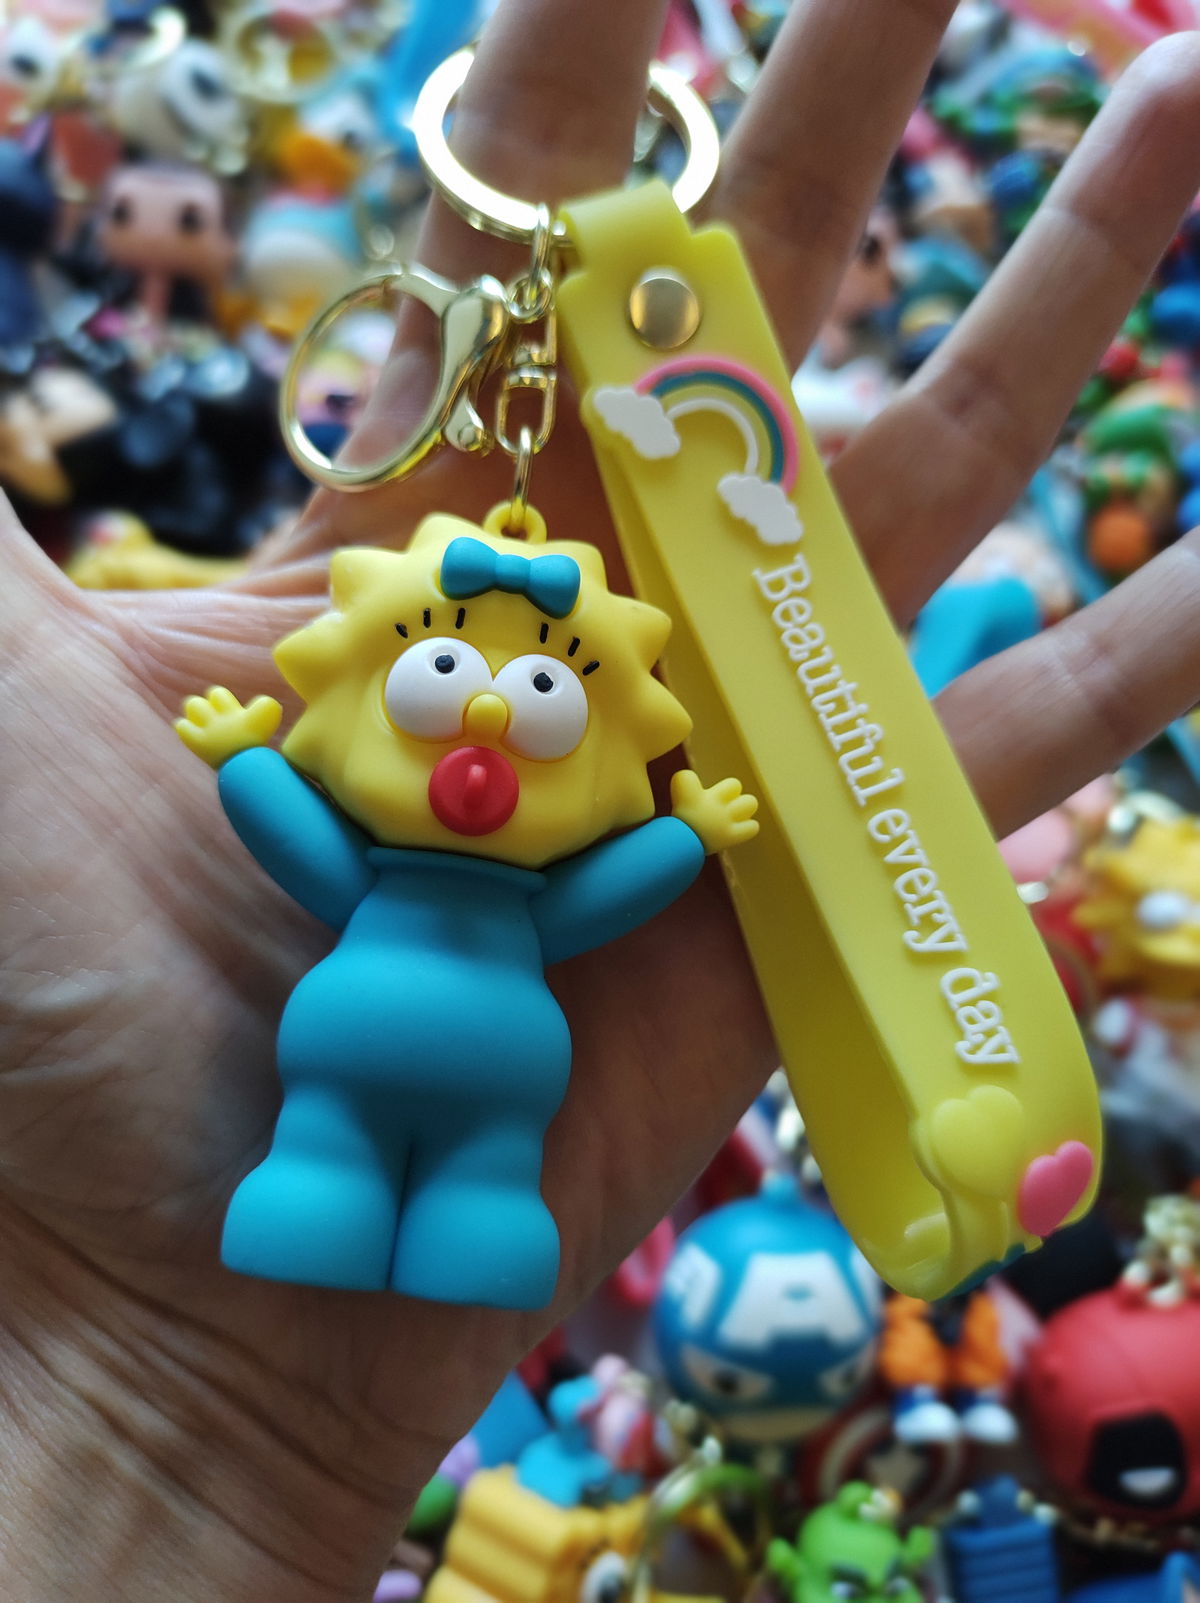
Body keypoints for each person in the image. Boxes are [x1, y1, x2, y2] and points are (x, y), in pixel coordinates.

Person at [4, 1, 1200, 1597]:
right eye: (441, 682)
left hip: (499, 1099)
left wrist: (686, 836)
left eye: (545, 700)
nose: (493, 718)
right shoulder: (369, 846)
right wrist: (243, 761)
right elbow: (303, 839)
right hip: (342, 1076)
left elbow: (598, 894)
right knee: (324, 1164)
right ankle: (320, 1193)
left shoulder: (549, 870)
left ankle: (459, 1212)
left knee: (482, 1195)